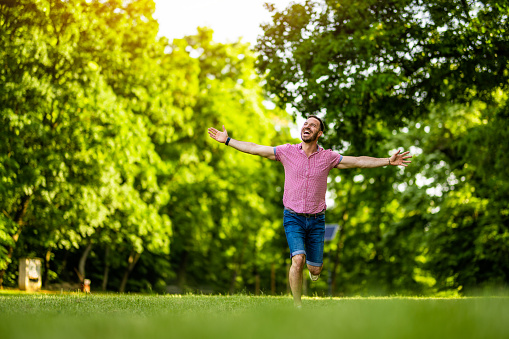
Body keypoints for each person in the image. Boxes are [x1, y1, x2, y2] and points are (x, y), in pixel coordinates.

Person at [207, 115, 412, 306]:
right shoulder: (287, 152)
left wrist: (388, 161)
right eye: (305, 123)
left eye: (312, 125)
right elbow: (254, 148)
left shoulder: (328, 157)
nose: (307, 126)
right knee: (298, 259)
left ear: (319, 133)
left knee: (315, 269)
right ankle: (297, 306)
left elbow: (357, 160)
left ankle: (314, 271)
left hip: (316, 221)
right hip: (293, 217)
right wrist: (228, 141)